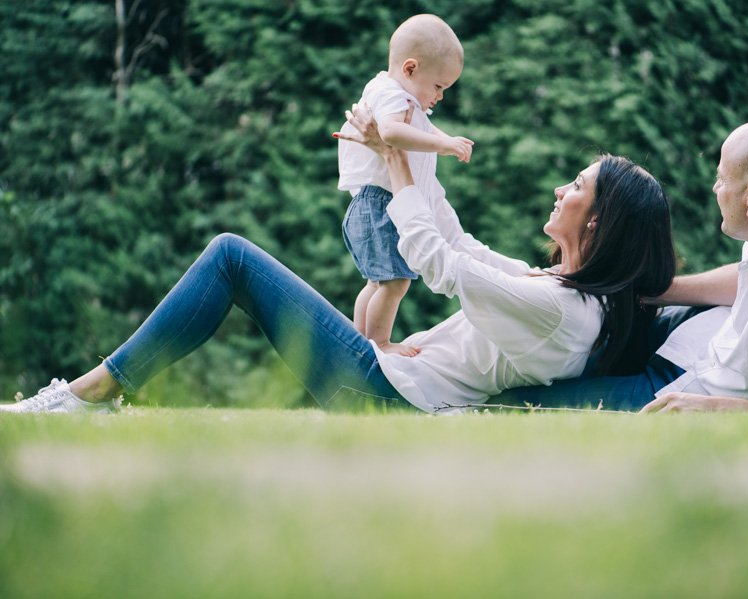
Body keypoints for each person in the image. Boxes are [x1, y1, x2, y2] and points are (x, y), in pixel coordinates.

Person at [0, 105, 676, 415]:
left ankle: (85, 394)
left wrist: (393, 159)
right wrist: (410, 159)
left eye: (577, 186)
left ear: (599, 219)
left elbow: (439, 265)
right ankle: (95, 393)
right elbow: (462, 244)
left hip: (382, 397)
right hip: (390, 380)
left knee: (232, 256)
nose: (562, 188)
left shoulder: (560, 310)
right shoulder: (563, 291)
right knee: (232, 257)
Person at [495, 121, 748, 413]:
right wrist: (653, 289)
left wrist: (714, 409)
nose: (715, 188)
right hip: (706, 336)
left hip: (698, 385)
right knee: (594, 329)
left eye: (722, 179)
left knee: (512, 405)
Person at [336, 14, 474, 357]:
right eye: (439, 86)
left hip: (377, 203)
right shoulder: (390, 96)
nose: (440, 96)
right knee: (395, 281)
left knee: (380, 281)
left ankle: (362, 344)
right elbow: (392, 134)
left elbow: (423, 130)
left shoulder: (397, 95)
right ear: (410, 69)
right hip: (378, 203)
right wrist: (444, 146)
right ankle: (379, 343)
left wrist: (449, 139)